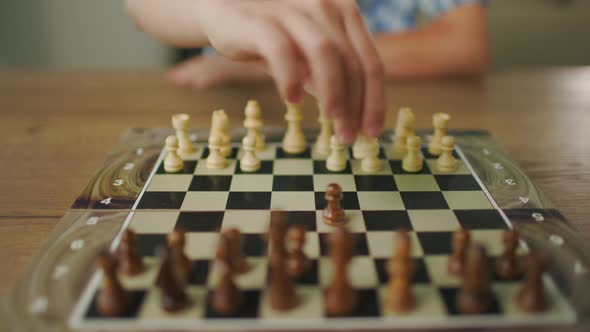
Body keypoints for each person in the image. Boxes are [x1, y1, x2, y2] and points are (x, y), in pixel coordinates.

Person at [125, 0, 488, 143]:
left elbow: (465, 45)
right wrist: (208, 10)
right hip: (223, 108)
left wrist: (267, 65)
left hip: (400, 112)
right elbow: (140, 8)